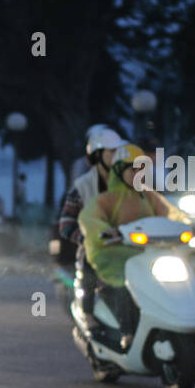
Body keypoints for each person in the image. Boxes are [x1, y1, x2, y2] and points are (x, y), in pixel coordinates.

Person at [78, 143, 184, 348]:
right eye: (133, 168)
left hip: (147, 254)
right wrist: (107, 231)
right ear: (119, 170)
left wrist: (189, 226)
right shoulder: (106, 199)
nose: (139, 173)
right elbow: (89, 218)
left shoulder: (150, 196)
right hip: (113, 253)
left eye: (142, 168)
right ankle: (123, 330)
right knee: (123, 283)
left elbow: (171, 213)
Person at [58, 127, 127, 320]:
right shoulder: (82, 186)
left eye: (118, 152)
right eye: (111, 152)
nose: (116, 156)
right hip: (96, 249)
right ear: (97, 155)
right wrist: (87, 239)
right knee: (90, 272)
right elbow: (66, 224)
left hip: (129, 245)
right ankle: (88, 314)